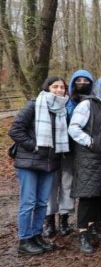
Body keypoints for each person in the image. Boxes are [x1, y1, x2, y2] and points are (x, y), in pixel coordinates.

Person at [9, 77, 69, 255]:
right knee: (28, 202)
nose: (59, 90)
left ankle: (36, 235)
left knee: (43, 202)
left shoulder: (61, 109)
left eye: (62, 87)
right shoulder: (34, 105)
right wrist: (34, 146)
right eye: (55, 86)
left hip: (50, 162)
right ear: (47, 87)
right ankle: (24, 239)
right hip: (29, 161)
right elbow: (15, 130)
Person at [68, 76, 101, 254]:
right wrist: (90, 142)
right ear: (98, 87)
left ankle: (92, 228)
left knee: (98, 193)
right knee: (88, 195)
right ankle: (82, 234)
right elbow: (74, 128)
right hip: (89, 156)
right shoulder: (87, 105)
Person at [44, 70, 93, 238]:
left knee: (67, 185)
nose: (82, 83)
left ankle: (64, 219)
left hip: (72, 152)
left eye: (85, 80)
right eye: (78, 80)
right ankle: (49, 220)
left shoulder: (90, 102)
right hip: (52, 151)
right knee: (51, 186)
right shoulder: (61, 103)